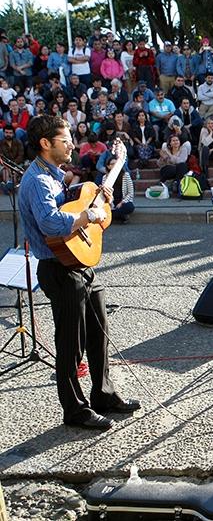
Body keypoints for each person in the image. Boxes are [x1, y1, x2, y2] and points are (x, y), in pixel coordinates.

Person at [17, 115, 140, 430]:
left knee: (98, 335)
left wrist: (100, 205)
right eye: (65, 139)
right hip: (59, 269)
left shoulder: (56, 175)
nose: (72, 143)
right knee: (70, 345)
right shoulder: (38, 181)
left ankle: (104, 394)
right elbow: (52, 223)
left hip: (79, 264)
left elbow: (84, 213)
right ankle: (75, 410)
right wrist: (91, 212)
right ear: (46, 144)